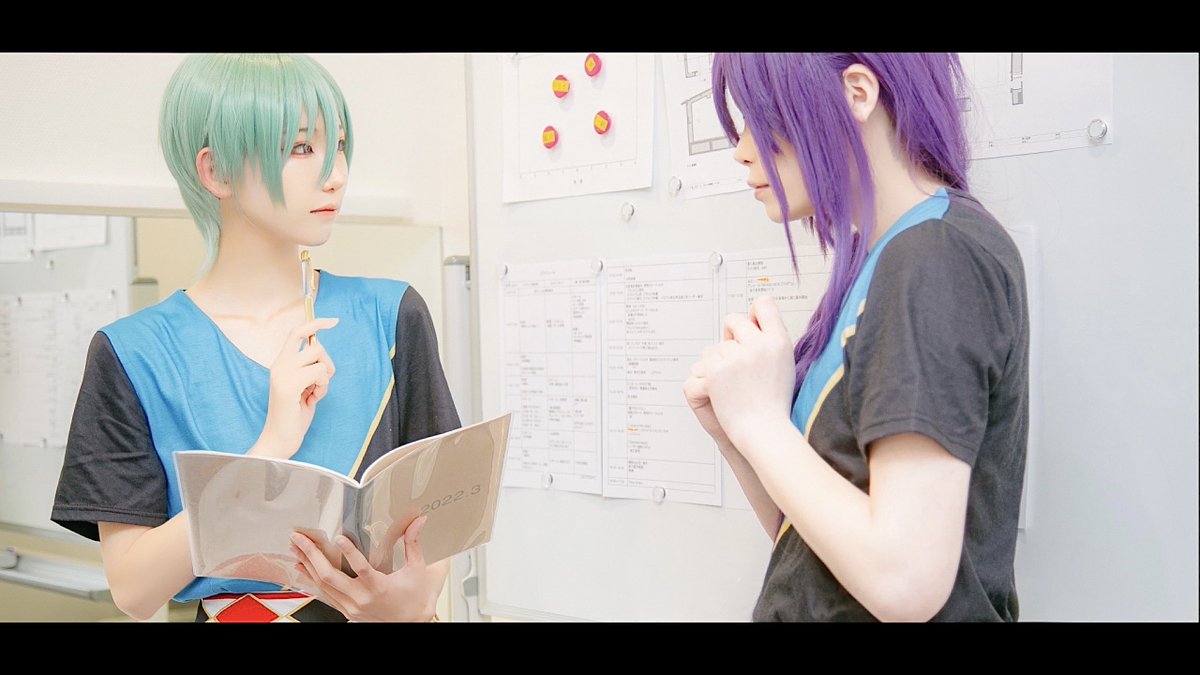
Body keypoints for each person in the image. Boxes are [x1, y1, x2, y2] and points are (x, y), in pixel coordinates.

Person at [51, 53, 460, 622]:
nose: (336, 174)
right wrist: (268, 449)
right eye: (302, 148)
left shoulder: (390, 315)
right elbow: (134, 590)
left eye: (339, 146)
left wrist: (413, 603)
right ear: (216, 171)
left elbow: (443, 512)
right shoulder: (133, 353)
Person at [683, 53, 1028, 621]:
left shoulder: (934, 258)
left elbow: (905, 582)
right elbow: (815, 554)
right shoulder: (885, 260)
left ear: (857, 93)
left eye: (760, 117)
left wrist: (759, 423)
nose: (742, 150)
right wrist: (736, 431)